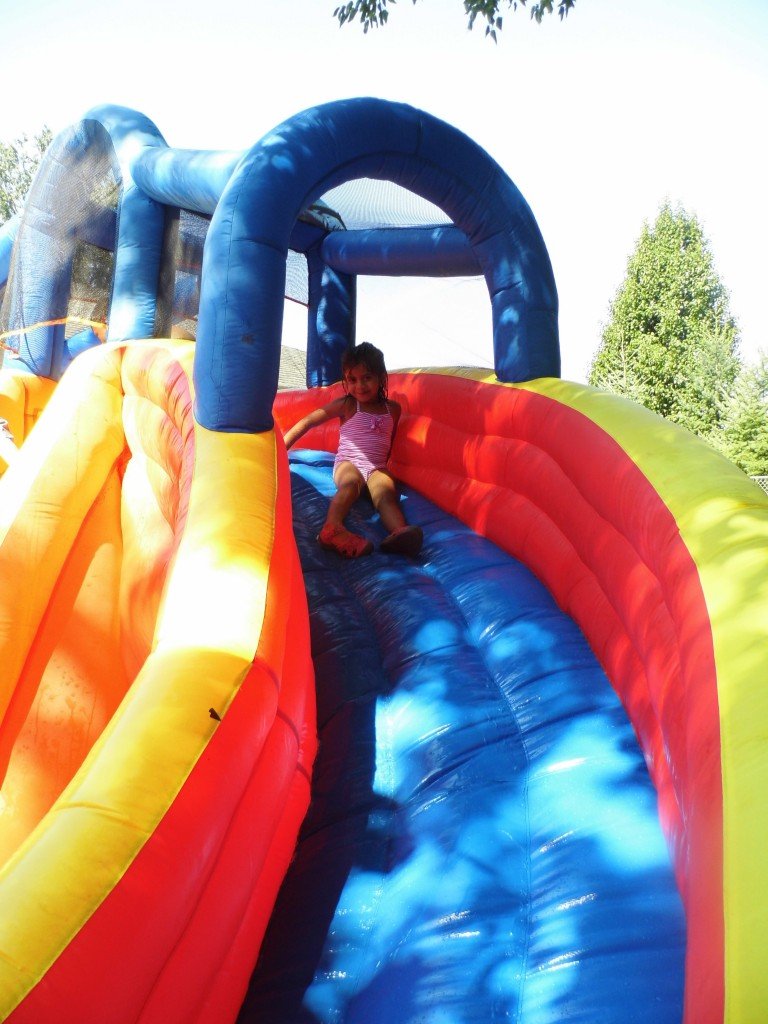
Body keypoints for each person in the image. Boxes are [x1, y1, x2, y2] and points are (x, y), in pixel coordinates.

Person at [283, 342, 423, 559]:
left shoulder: (393, 410)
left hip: (376, 466)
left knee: (387, 493)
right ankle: (331, 529)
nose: (360, 386)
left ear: (381, 378)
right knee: (350, 484)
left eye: (367, 378)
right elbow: (308, 421)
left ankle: (399, 533)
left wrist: (379, 475)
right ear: (346, 381)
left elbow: (387, 443)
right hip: (348, 462)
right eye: (352, 379)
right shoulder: (348, 405)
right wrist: (282, 448)